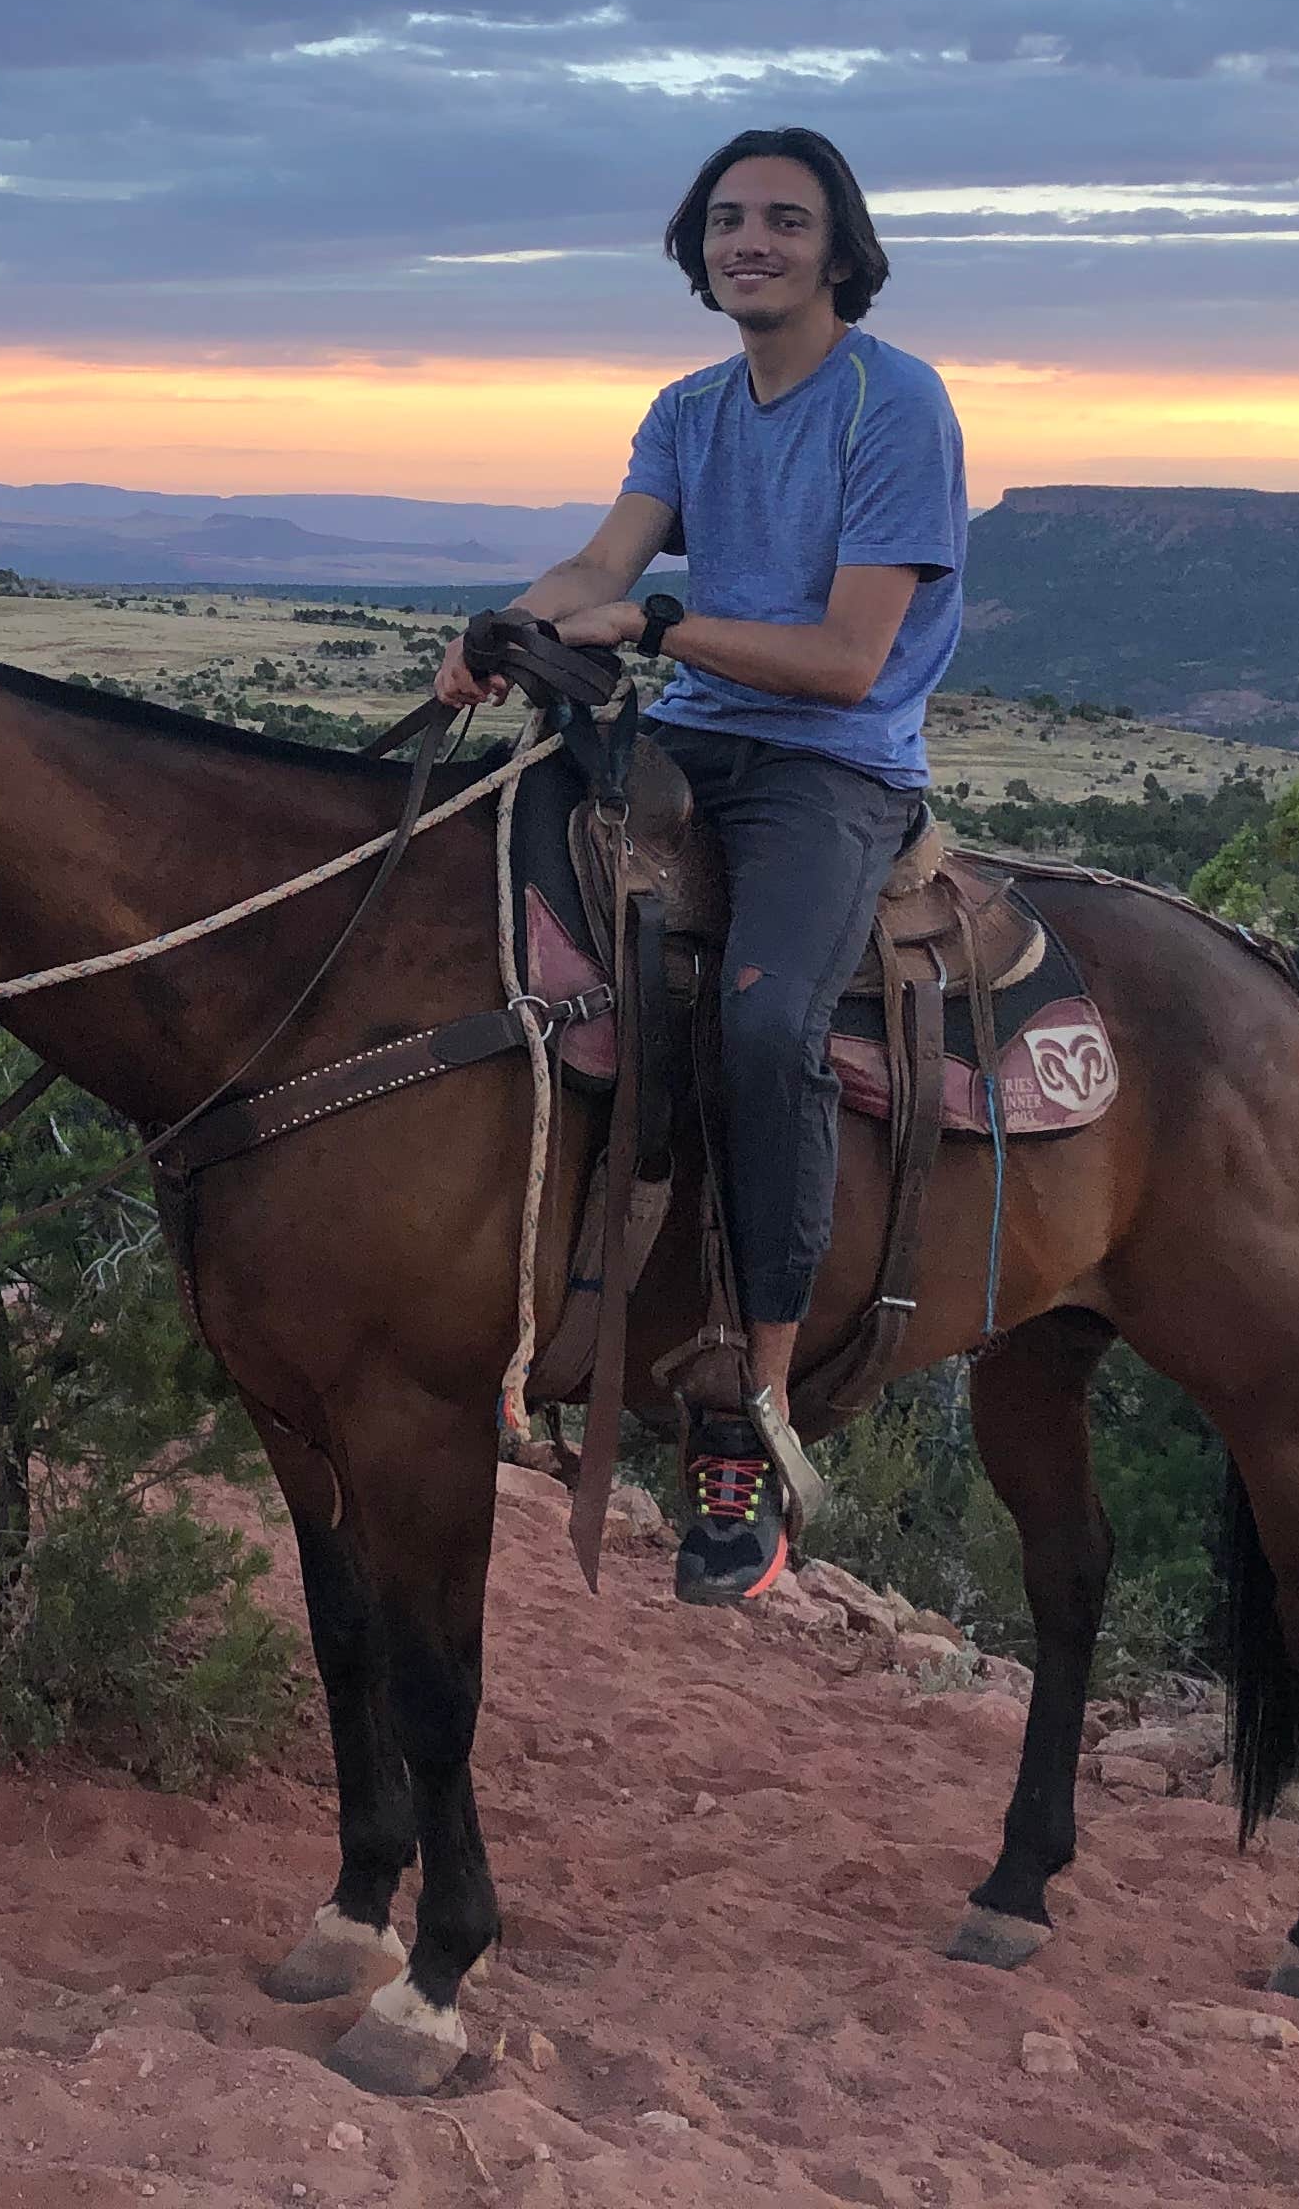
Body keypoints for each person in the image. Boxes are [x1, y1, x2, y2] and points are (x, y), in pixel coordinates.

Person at [434, 125, 964, 1604]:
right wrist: (507, 624)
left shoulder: (894, 405)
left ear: (839, 248)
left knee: (763, 1019)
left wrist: (662, 633)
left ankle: (754, 1400)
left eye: (786, 221)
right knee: (484, 922)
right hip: (693, 739)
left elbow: (853, 662)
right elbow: (607, 565)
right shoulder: (689, 407)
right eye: (729, 220)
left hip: (828, 767)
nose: (753, 242)